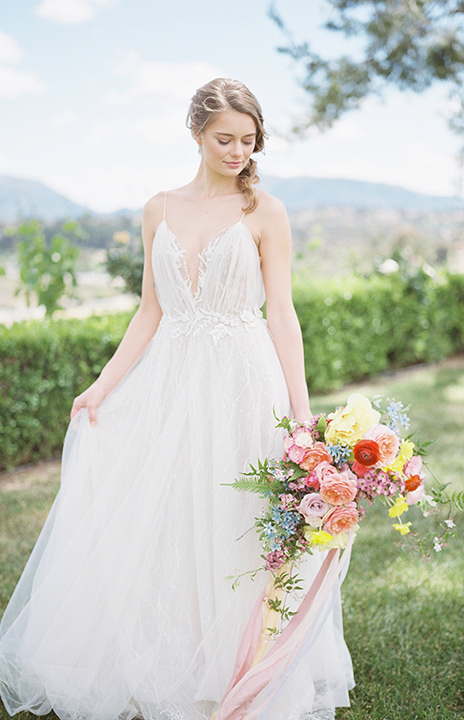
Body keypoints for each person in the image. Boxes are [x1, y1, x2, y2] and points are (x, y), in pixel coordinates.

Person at [0, 78, 353, 720]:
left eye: (249, 140)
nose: (238, 151)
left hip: (244, 380)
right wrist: (102, 386)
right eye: (225, 138)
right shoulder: (157, 208)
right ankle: (165, 653)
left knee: (236, 515)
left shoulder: (266, 212)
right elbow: (150, 310)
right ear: (196, 133)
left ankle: (239, 664)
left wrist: (302, 416)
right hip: (168, 377)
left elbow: (283, 316)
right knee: (166, 513)